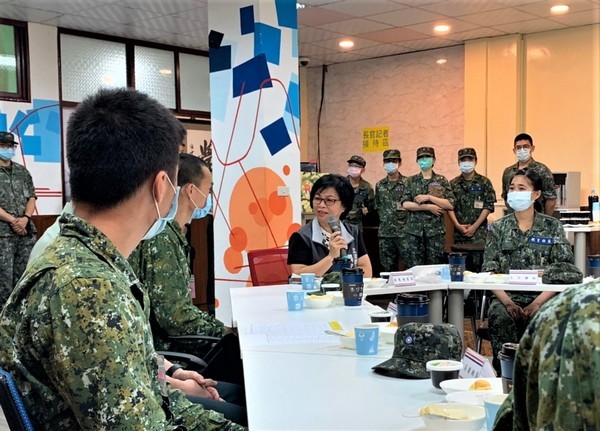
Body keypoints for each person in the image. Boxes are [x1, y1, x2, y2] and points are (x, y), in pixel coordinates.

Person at [0, 88, 245, 430]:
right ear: (161, 185)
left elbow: (139, 395)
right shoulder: (87, 288)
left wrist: (170, 375)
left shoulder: (89, 261)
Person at [129, 153, 244, 387]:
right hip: (171, 355)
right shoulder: (161, 239)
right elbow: (175, 317)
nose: (210, 197)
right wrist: (224, 330)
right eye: (209, 189)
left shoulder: (175, 235)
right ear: (191, 191)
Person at [481, 169, 573, 373]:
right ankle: (505, 376)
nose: (515, 192)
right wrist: (507, 302)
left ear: (536, 194)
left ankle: (542, 377)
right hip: (506, 296)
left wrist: (538, 302)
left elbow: (564, 268)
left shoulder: (552, 226)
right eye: (511, 188)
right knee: (501, 316)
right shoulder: (498, 228)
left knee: (548, 317)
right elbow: (489, 272)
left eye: (521, 188)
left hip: (544, 297)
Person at [492, 281, 599, 430]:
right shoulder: (563, 309)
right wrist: (510, 304)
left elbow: (514, 412)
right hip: (514, 299)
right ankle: (500, 373)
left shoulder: (560, 309)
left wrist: (538, 303)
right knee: (500, 316)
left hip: (543, 303)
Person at [288, 174, 372, 278]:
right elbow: (298, 274)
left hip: (349, 291)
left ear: (344, 206)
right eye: (317, 198)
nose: (321, 205)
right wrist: (331, 257)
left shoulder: (353, 232)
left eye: (329, 200)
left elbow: (367, 271)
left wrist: (337, 278)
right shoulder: (301, 236)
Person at [0, 131, 37, 309]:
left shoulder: (22, 171)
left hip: (25, 233)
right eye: (4, 146)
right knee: (3, 280)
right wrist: (14, 221)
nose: (8, 149)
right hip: (3, 236)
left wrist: (25, 219)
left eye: (11, 146)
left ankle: (21, 317)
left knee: (25, 277)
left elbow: (32, 197)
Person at [401, 147, 454, 267]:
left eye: (427, 157)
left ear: (433, 160)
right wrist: (429, 207)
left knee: (435, 267)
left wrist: (430, 198)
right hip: (414, 232)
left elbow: (450, 204)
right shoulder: (410, 181)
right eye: (420, 158)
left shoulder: (441, 180)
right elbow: (405, 204)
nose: (423, 160)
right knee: (414, 268)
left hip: (435, 232)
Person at [448, 148, 496, 271]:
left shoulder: (484, 182)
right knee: (460, 268)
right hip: (459, 233)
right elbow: (449, 206)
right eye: (463, 160)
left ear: (476, 161)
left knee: (479, 268)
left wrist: (474, 226)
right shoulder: (453, 184)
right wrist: (457, 225)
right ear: (458, 162)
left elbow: (488, 206)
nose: (466, 162)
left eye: (470, 159)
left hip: (479, 233)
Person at [501, 133, 556, 215]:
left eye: (526, 146)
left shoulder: (542, 170)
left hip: (536, 219)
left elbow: (551, 200)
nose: (522, 150)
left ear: (532, 148)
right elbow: (506, 196)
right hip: (513, 220)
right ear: (514, 150)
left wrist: (545, 221)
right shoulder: (508, 172)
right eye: (518, 148)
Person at [375, 149, 409, 272]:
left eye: (393, 161)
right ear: (383, 164)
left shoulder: (407, 183)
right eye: (387, 161)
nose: (390, 164)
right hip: (385, 233)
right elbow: (378, 207)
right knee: (387, 268)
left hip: (404, 233)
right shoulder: (380, 185)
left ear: (399, 163)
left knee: (409, 267)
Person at [345, 155, 375, 232]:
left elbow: (371, 205)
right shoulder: (340, 184)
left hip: (357, 225)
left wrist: (367, 209)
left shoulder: (367, 187)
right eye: (351, 165)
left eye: (357, 166)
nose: (353, 168)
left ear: (363, 170)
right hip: (341, 223)